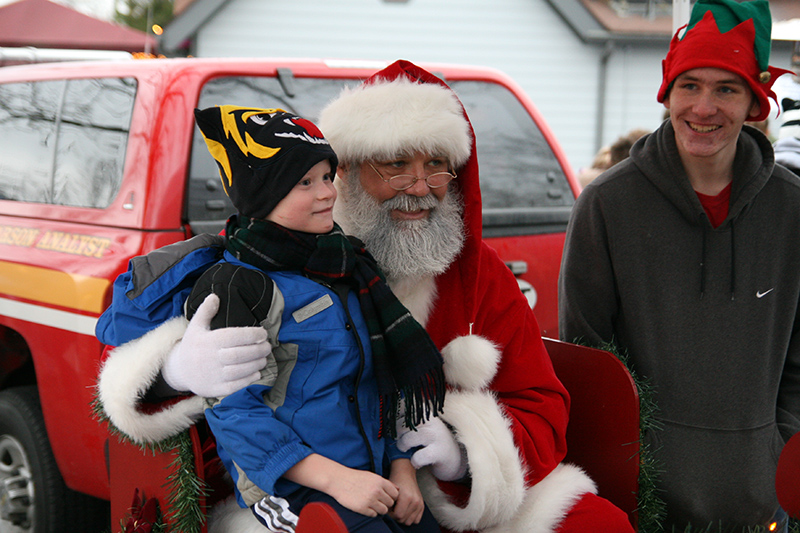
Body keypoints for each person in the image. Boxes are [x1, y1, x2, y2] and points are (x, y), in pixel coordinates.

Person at [98, 60, 634, 533]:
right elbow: (127, 362)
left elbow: (539, 400)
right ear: (349, 172)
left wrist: (464, 453)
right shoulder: (267, 263)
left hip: (443, 496)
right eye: (394, 164)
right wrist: (176, 370)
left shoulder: (477, 273)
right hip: (302, 488)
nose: (420, 186)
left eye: (436, 165)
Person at [558, 0, 800, 531]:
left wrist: (777, 454)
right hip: (645, 503)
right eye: (690, 86)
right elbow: (588, 358)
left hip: (761, 507)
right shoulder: (607, 204)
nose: (704, 108)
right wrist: (630, 477)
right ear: (667, 93)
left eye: (726, 89)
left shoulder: (792, 209)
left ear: (755, 102)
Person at [182, 105, 443, 532]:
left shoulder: (348, 263)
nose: (327, 193)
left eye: (326, 176)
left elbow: (379, 378)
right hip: (291, 487)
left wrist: (402, 468)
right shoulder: (236, 285)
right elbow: (233, 412)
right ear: (263, 197)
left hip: (372, 472)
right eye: (305, 182)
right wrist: (336, 480)